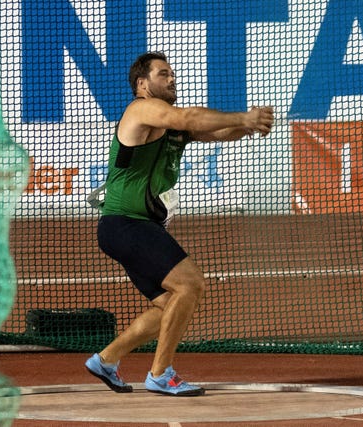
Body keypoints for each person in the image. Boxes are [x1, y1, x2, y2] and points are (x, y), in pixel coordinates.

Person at [85, 52, 274, 396]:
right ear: (142, 84)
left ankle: (106, 360)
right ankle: (161, 374)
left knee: (166, 304)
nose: (171, 79)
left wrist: (247, 126)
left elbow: (216, 133)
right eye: (163, 74)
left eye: (172, 73)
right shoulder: (140, 109)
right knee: (190, 285)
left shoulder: (171, 127)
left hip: (135, 227)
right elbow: (188, 116)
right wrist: (244, 115)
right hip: (126, 224)